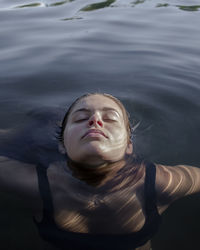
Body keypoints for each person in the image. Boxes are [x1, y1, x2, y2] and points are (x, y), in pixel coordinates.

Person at [0, 92, 200, 250]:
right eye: (80, 118)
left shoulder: (160, 183)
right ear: (61, 146)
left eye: (111, 118)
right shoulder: (34, 184)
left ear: (129, 145)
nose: (95, 120)